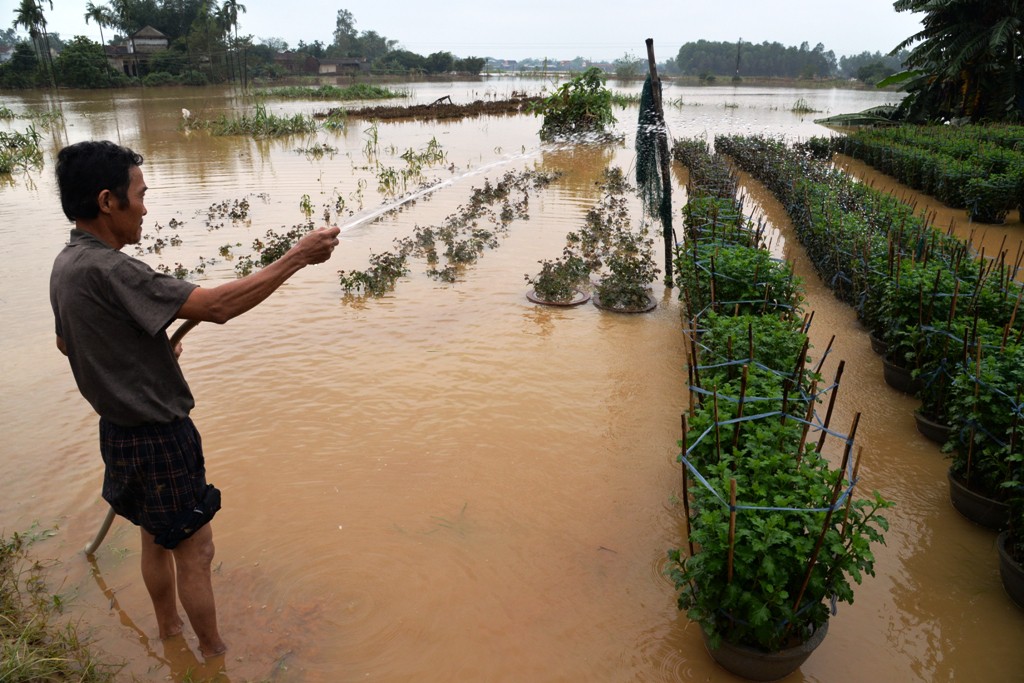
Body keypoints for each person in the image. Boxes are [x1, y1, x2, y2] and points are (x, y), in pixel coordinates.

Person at [49, 140, 340, 658]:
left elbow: (69, 343)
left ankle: (169, 638)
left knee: (152, 537)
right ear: (107, 201)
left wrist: (145, 355)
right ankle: (213, 656)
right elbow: (220, 306)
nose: (145, 206)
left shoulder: (67, 264)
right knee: (195, 549)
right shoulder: (115, 270)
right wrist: (296, 257)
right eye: (139, 194)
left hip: (118, 433)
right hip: (160, 435)